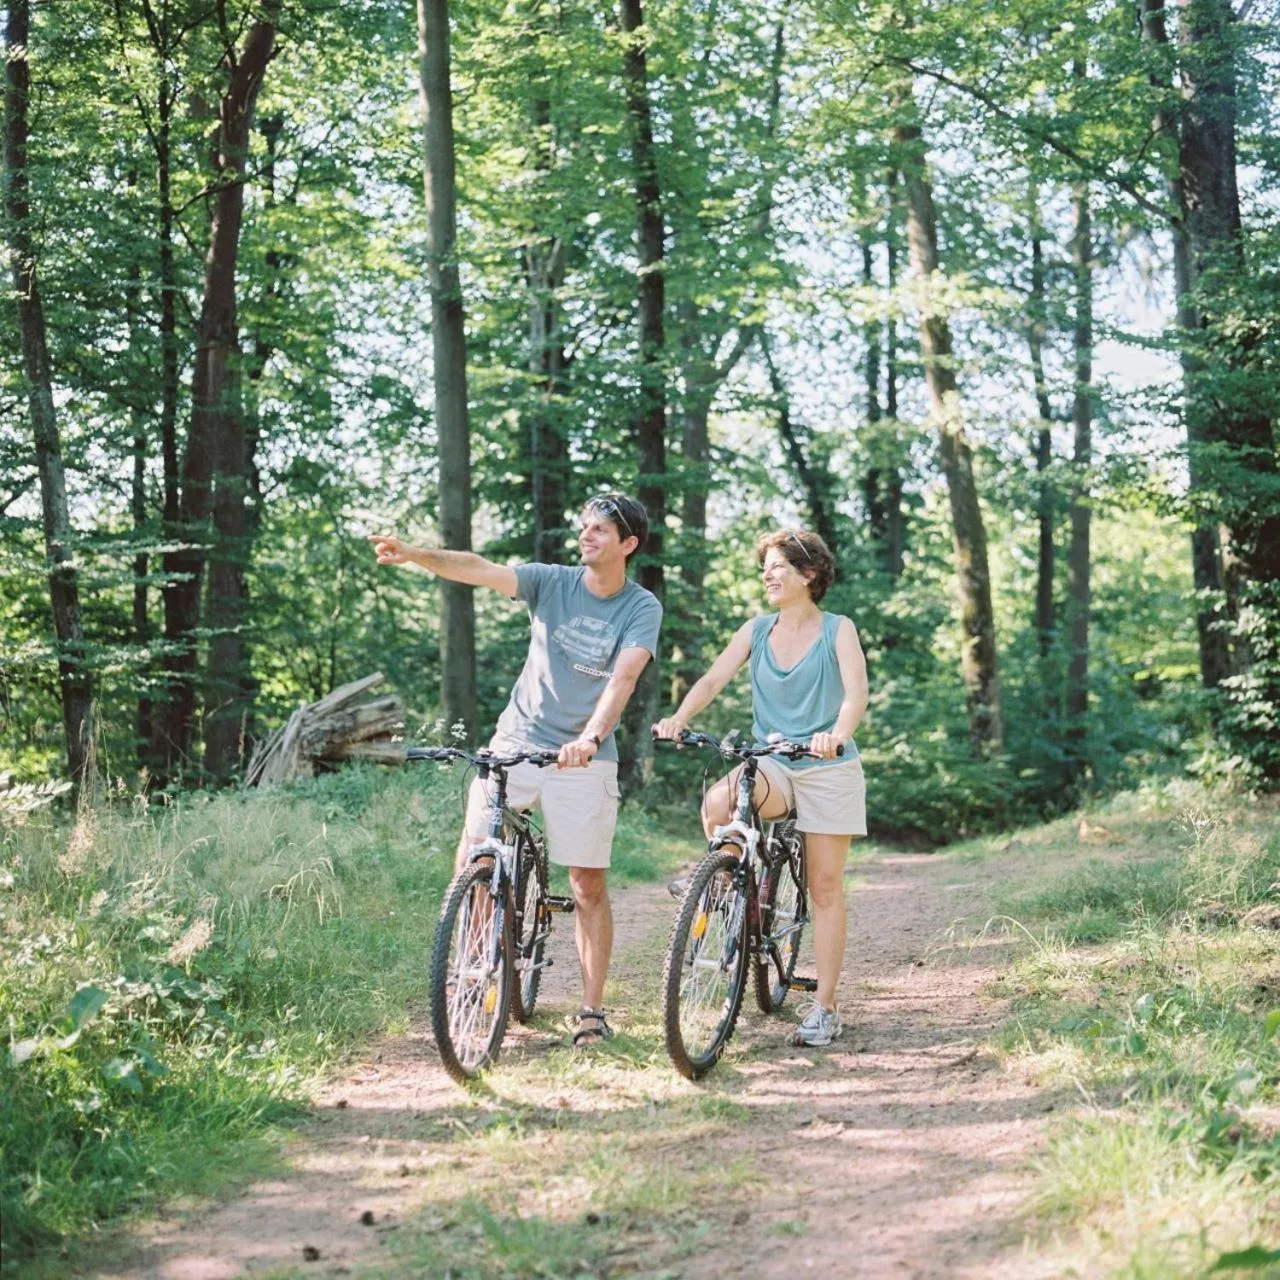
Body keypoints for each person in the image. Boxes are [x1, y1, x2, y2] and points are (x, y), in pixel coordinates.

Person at [369, 494, 662, 1046]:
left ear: (628, 544)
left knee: (586, 885)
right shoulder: (552, 581)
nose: (586, 536)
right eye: (584, 527)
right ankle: (470, 970)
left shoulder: (640, 607)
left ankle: (592, 1010)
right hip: (516, 739)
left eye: (600, 530)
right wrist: (414, 554)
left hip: (583, 754)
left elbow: (623, 680)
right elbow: (478, 569)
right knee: (473, 856)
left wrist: (590, 738)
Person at [654, 529, 868, 1047]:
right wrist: (679, 716)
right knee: (720, 799)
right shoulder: (756, 630)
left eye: (778, 566)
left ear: (809, 574)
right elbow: (711, 680)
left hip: (827, 765)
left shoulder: (838, 630)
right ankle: (725, 884)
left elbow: (855, 695)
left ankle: (825, 1008)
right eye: (764, 567)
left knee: (823, 886)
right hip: (773, 760)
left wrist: (836, 737)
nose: (767, 575)